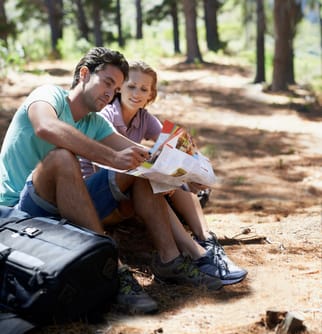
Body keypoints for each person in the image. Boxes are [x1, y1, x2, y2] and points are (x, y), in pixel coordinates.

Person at [0, 47, 224, 316]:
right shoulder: (48, 96)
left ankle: (170, 259)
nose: (110, 93)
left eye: (115, 87)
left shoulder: (95, 123)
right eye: (107, 82)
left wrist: (186, 179)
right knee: (61, 157)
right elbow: (46, 127)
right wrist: (112, 157)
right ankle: (115, 273)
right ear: (84, 74)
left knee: (137, 169)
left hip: (65, 207)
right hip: (19, 213)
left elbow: (144, 159)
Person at [79, 60, 247, 291]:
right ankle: (195, 252)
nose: (136, 93)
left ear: (151, 95)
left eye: (144, 89)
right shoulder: (107, 116)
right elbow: (107, 171)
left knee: (171, 177)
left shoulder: (144, 118)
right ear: (119, 88)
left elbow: (176, 149)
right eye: (131, 86)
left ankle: (206, 240)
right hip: (101, 196)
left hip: (127, 187)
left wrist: (190, 171)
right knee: (154, 180)